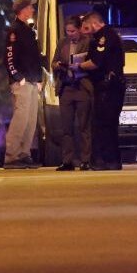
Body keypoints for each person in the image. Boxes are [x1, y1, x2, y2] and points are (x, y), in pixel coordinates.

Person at [79, 11, 125, 171]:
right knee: (108, 125)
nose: (85, 30)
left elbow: (96, 62)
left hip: (108, 86)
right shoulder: (106, 35)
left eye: (86, 27)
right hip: (110, 86)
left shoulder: (104, 36)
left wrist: (77, 66)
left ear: (93, 23)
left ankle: (107, 160)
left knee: (104, 124)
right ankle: (111, 160)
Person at [3, 0, 43, 169]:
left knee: (31, 119)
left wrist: (39, 78)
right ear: (23, 10)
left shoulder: (27, 30)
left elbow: (33, 57)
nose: (32, 10)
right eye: (30, 8)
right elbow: (9, 58)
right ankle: (12, 155)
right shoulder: (15, 31)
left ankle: (24, 153)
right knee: (21, 119)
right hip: (23, 82)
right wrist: (18, 77)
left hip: (32, 81)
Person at [51, 15, 91, 171]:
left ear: (80, 29)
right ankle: (67, 160)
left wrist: (79, 65)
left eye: (73, 31)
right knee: (66, 127)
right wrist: (57, 65)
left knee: (84, 126)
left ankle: (86, 160)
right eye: (67, 31)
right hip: (66, 87)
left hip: (81, 87)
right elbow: (53, 61)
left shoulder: (87, 42)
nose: (70, 34)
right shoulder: (62, 43)